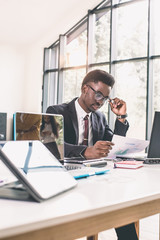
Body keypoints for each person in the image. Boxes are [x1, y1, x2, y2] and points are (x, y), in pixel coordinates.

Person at [46, 69, 138, 240]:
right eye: (98, 95)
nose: (101, 102)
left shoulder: (100, 117)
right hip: (65, 179)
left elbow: (115, 145)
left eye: (105, 98)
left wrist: (121, 118)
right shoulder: (56, 111)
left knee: (122, 207)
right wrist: (85, 151)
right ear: (84, 89)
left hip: (95, 179)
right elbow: (51, 145)